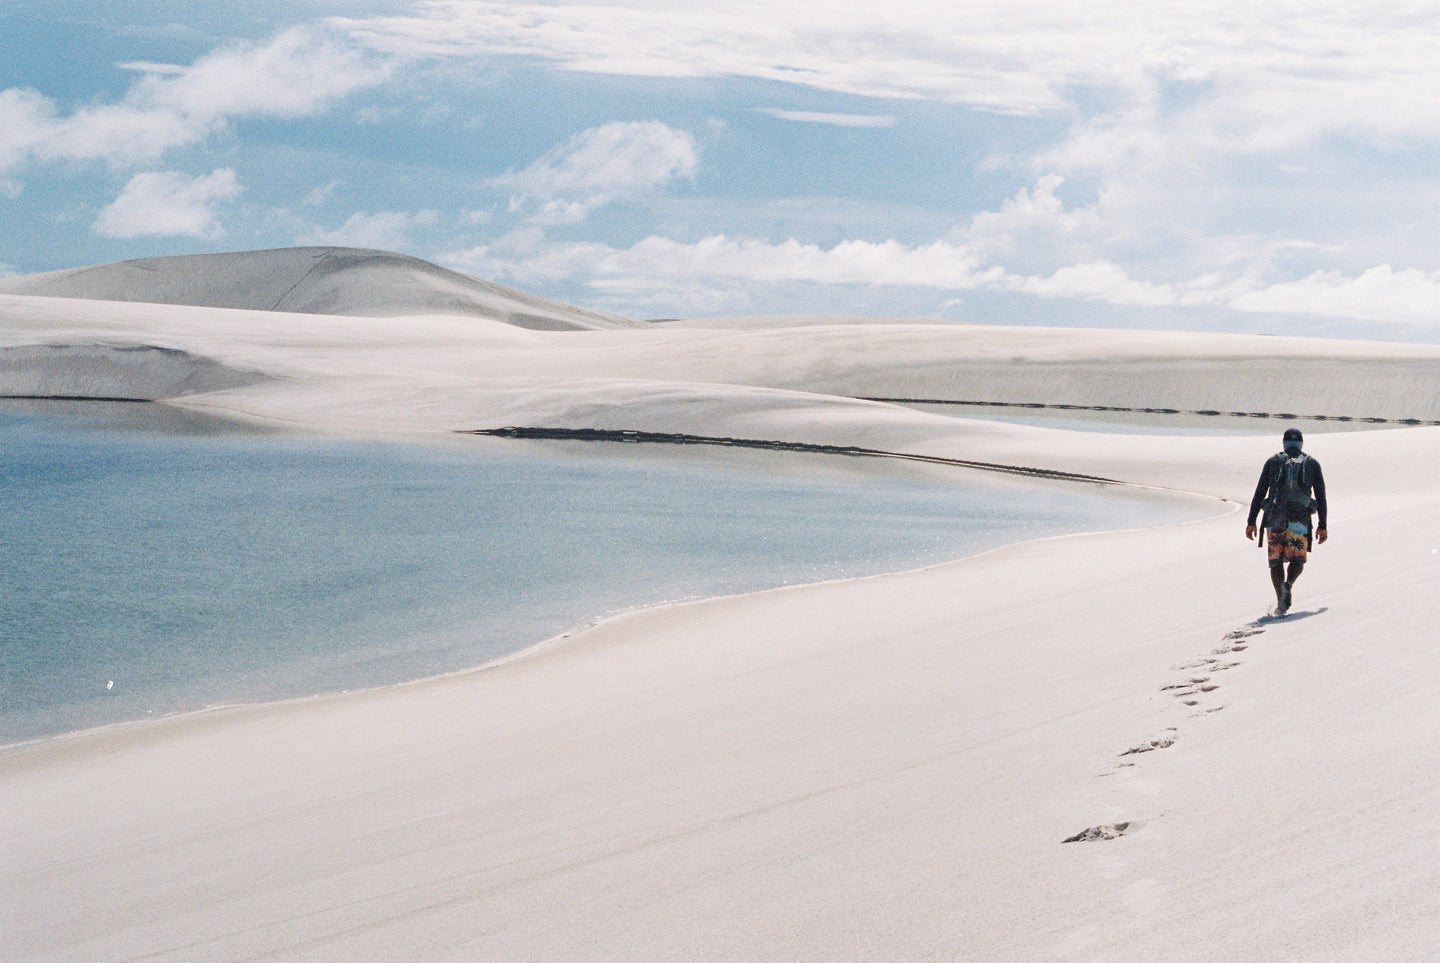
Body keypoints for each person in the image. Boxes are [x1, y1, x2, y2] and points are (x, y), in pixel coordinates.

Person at [1245, 428, 1328, 614]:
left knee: (1276, 562)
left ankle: (1280, 602)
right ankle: (1288, 584)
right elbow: (1321, 497)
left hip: (1275, 518)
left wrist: (1251, 521)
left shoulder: (1273, 462)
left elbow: (1259, 493)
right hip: (1299, 519)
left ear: (1284, 443)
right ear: (1301, 443)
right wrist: (1323, 525)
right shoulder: (1312, 463)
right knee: (1298, 559)